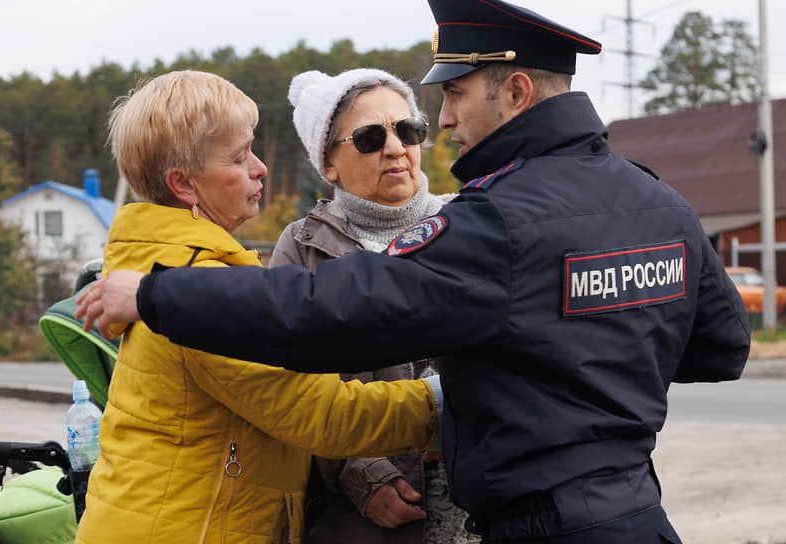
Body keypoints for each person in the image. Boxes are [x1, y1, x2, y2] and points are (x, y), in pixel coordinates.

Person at [76, 2, 752, 543]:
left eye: (452, 95)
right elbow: (720, 347)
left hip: (544, 522)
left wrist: (158, 292)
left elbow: (331, 311)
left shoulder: (497, 223)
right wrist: (588, 354)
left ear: (515, 91)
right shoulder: (657, 199)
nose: (445, 118)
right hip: (637, 512)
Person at [73, 70, 443, 544]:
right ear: (184, 185)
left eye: (409, 129)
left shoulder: (168, 267)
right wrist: (447, 401)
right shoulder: (195, 286)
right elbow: (320, 412)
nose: (260, 167)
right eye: (238, 156)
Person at [272, 68, 475, 543]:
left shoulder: (469, 223)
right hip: (361, 519)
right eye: (368, 137)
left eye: (408, 130)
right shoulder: (301, 247)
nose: (395, 147)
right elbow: (289, 387)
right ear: (328, 164)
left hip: (476, 500)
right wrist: (360, 473)